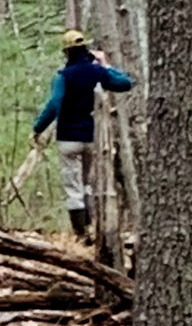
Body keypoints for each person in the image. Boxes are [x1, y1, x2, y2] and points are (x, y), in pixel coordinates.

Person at [31, 29, 135, 242]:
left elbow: (54, 104)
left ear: (67, 52)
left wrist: (38, 128)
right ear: (86, 49)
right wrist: (105, 64)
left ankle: (81, 234)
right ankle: (93, 226)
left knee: (73, 186)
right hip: (92, 139)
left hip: (68, 139)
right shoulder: (98, 73)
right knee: (89, 183)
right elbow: (124, 83)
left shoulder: (63, 76)